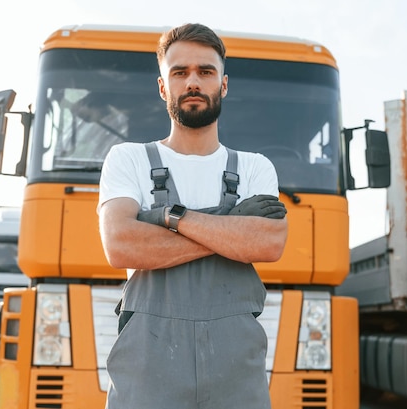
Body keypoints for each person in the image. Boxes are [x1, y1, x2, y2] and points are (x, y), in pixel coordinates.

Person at [97, 23, 289, 409]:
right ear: (163, 87)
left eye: (205, 71)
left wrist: (171, 218)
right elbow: (120, 245)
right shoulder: (128, 158)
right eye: (179, 72)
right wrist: (230, 225)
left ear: (224, 84)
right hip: (148, 362)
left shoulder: (255, 167)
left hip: (235, 367)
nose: (193, 82)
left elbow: (268, 243)